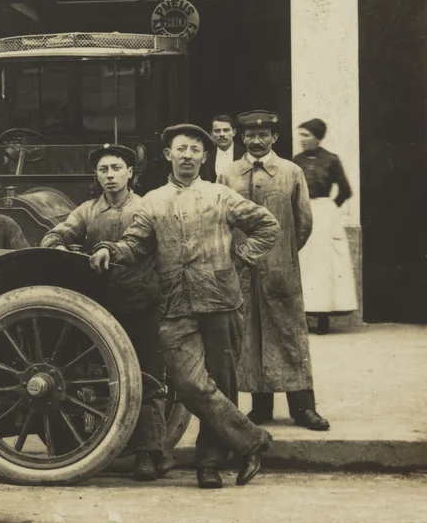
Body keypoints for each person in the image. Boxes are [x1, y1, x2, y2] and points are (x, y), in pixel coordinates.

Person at [90, 123, 278, 490]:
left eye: (195, 150)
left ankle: (209, 465)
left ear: (204, 157)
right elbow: (134, 244)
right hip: (175, 305)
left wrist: (239, 258)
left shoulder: (221, 196)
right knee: (188, 382)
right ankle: (253, 441)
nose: (188, 155)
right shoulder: (153, 202)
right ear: (168, 155)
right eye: (181, 149)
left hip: (221, 302)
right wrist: (109, 250)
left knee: (220, 385)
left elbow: (266, 226)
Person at [40, 144, 165, 482]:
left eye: (116, 168)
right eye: (103, 170)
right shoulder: (87, 210)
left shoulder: (146, 207)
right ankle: (77, 448)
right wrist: (59, 247)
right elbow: (55, 233)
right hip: (98, 307)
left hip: (139, 304)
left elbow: (150, 247)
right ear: (96, 176)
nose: (110, 175)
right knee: (82, 375)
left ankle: (148, 454)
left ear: (130, 173)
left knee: (145, 379)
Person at [219, 111, 328, 432]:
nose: (256, 140)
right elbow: (220, 221)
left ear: (274, 138)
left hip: (281, 271)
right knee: (249, 336)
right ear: (242, 138)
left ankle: (303, 408)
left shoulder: (291, 172)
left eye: (263, 134)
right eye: (250, 135)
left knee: (290, 334)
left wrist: (282, 256)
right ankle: (260, 406)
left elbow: (303, 222)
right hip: (241, 272)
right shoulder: (228, 175)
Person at [293, 118, 357, 335]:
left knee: (322, 265)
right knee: (302, 262)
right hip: (302, 213)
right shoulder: (297, 160)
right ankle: (302, 316)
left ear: (317, 138)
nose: (301, 140)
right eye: (300, 135)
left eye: (306, 135)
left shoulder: (331, 160)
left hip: (323, 215)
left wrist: (328, 208)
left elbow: (346, 190)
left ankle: (323, 318)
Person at [203, 114, 245, 183]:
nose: (221, 134)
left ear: (234, 132)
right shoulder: (206, 157)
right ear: (211, 134)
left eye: (226, 130)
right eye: (217, 131)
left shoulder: (244, 154)